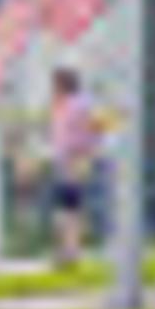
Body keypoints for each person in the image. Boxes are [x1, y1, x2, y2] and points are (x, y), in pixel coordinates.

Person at [45, 68, 101, 261]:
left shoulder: (79, 104)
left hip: (75, 158)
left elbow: (96, 127)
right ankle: (68, 249)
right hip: (66, 158)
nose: (53, 88)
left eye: (55, 84)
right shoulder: (64, 104)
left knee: (69, 205)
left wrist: (88, 148)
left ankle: (71, 250)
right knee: (67, 206)